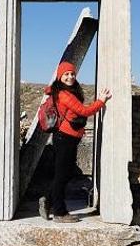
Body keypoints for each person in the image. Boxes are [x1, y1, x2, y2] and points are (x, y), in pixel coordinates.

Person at [40, 61, 112, 223]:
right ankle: (59, 212)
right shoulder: (64, 94)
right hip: (64, 138)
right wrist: (101, 101)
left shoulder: (67, 91)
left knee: (65, 173)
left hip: (67, 138)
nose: (70, 76)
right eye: (66, 74)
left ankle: (48, 200)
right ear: (60, 76)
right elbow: (84, 111)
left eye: (72, 74)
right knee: (62, 175)